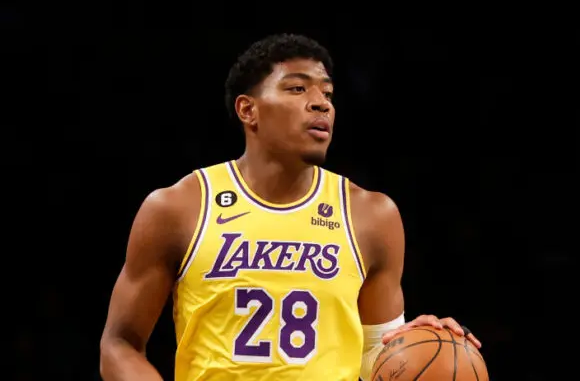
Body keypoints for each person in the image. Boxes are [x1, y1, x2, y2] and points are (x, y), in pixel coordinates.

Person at [99, 33, 481, 381]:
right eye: (297, 89)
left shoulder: (372, 216)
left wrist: (419, 343)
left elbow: (375, 356)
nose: (320, 104)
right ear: (248, 111)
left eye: (328, 95)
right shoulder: (179, 207)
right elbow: (120, 345)